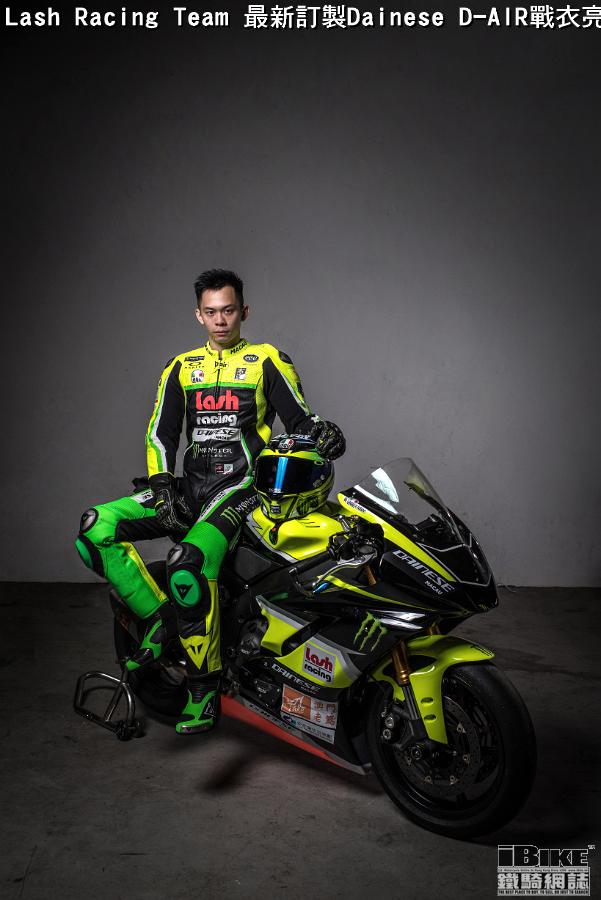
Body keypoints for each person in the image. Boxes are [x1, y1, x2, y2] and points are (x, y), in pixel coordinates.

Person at [75, 269, 345, 734]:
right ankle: (161, 619)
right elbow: (161, 434)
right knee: (94, 528)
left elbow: (301, 420)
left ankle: (203, 687)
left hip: (241, 489)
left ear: (244, 312)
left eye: (229, 311)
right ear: (198, 315)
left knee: (188, 562)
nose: (221, 321)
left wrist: (323, 434)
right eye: (211, 312)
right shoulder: (181, 367)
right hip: (189, 487)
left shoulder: (266, 360)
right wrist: (163, 487)